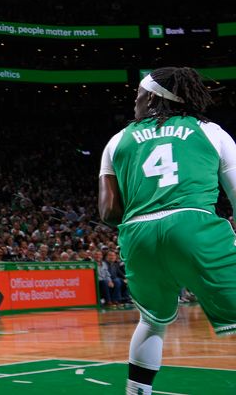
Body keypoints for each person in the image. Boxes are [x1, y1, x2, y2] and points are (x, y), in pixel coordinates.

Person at [98, 67, 236, 395]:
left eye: (138, 96)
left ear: (155, 97)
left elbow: (108, 212)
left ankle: (136, 392)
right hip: (192, 226)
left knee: (152, 321)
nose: (134, 103)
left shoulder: (117, 141)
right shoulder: (210, 131)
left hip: (138, 235)